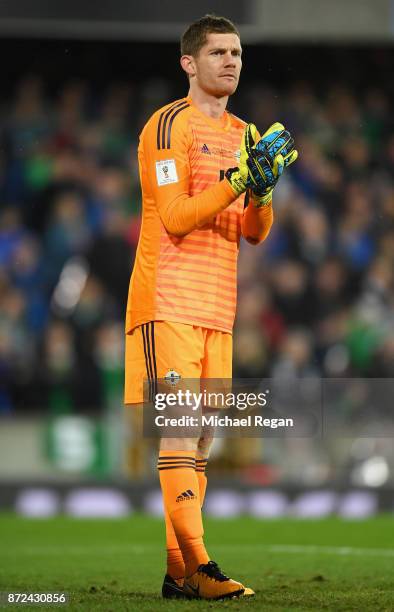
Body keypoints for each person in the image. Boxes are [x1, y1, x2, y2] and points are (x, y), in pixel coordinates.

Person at [124, 14, 297, 600]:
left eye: (238, 52)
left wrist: (263, 188)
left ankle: (178, 576)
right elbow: (173, 217)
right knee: (176, 433)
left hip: (217, 307)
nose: (231, 61)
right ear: (188, 63)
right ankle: (203, 568)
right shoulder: (166, 126)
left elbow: (255, 232)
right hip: (167, 298)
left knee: (200, 442)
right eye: (218, 52)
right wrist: (238, 179)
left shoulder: (248, 133)